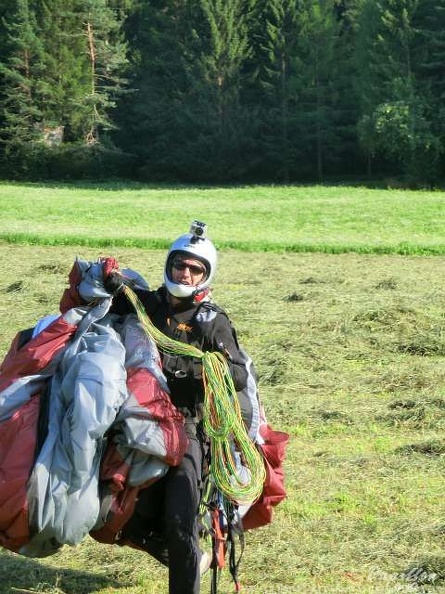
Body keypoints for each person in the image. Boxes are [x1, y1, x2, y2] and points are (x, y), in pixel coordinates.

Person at [106, 221, 249, 594]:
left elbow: (236, 374)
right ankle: (174, 551)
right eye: (178, 265)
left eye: (194, 268)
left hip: (187, 427)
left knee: (180, 518)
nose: (184, 273)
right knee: (121, 508)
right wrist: (105, 277)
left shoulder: (212, 322)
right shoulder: (147, 304)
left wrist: (185, 366)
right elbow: (109, 296)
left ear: (205, 275)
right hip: (137, 418)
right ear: (168, 266)